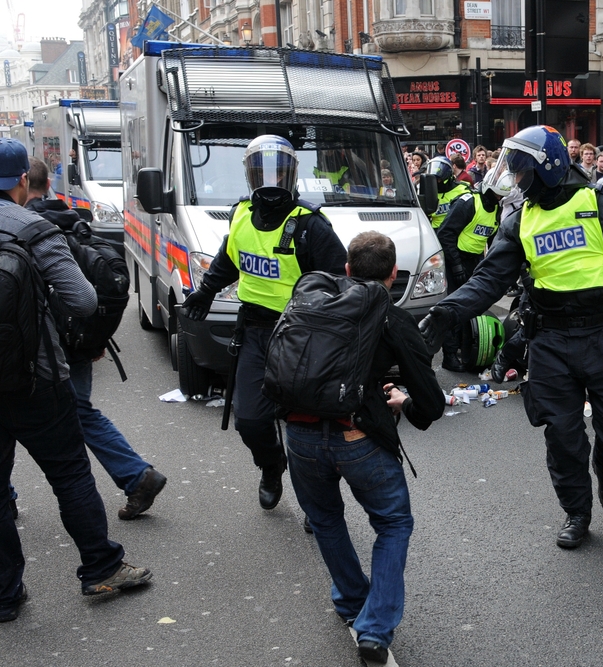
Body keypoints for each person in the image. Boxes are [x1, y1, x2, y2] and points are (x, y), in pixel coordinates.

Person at [417, 126, 603, 550]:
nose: (517, 180)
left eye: (522, 171)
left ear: (548, 168)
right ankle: (576, 512)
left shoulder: (601, 206)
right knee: (562, 436)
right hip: (549, 340)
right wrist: (447, 311)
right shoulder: (520, 219)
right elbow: (489, 279)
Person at [1, 138, 151, 623]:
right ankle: (101, 568)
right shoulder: (33, 228)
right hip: (37, 378)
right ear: (24, 181)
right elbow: (84, 300)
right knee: (68, 474)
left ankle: (5, 593)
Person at [284, 231, 443, 664]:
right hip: (356, 436)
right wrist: (403, 400)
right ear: (393, 275)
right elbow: (431, 406)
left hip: (298, 435)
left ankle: (352, 603)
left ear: (347, 270)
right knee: (393, 524)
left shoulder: (312, 303)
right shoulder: (392, 318)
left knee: (325, 520)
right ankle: (373, 629)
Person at [181, 135, 348, 510]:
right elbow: (228, 259)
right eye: (262, 172)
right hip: (255, 331)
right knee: (251, 421)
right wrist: (206, 291)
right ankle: (271, 465)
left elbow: (340, 281)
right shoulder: (241, 214)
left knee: (310, 424)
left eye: (279, 171)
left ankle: (319, 498)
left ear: (292, 175)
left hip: (303, 335)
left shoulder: (311, 225)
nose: (270, 180)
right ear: (249, 175)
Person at [23, 157, 167, 520]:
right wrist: (94, 336)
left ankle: (136, 477)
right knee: (80, 410)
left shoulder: (28, 228)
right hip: (78, 337)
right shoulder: (72, 219)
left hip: (44, 343)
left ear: (25, 185)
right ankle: (137, 476)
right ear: (47, 185)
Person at [435, 168, 512, 371]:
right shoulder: (467, 202)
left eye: (502, 196)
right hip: (454, 258)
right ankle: (449, 356)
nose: (498, 199)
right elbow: (445, 234)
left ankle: (463, 346)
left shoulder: (495, 208)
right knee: (452, 305)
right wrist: (456, 265)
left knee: (470, 307)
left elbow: (488, 238)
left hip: (474, 260)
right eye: (496, 194)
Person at [425, 156, 472, 229]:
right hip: (435, 230)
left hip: (456, 230)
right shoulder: (426, 192)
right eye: (433, 180)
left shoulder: (463, 189)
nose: (436, 183)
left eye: (439, 180)